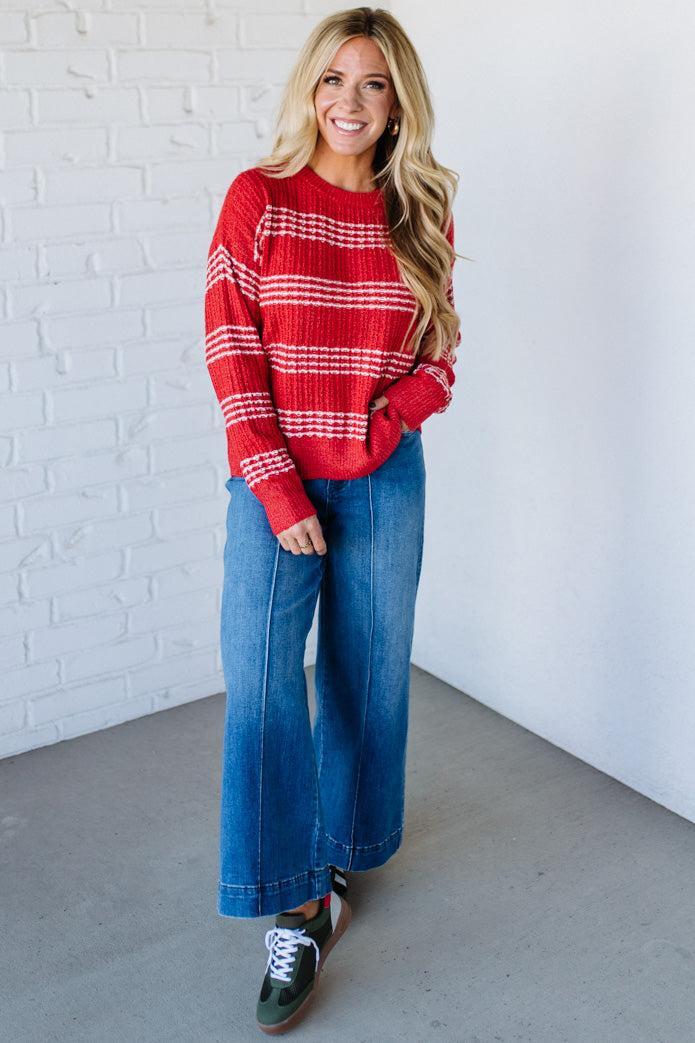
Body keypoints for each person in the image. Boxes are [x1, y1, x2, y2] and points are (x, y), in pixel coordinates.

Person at [204, 6, 461, 1034]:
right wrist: (278, 490)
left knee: (366, 671)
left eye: (372, 84)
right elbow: (232, 352)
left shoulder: (421, 209)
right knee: (264, 689)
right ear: (307, 89)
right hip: (275, 486)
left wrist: (380, 426)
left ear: (398, 101)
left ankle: (348, 850)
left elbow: (439, 356)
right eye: (332, 80)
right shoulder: (256, 200)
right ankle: (292, 901)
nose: (348, 103)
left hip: (385, 479)